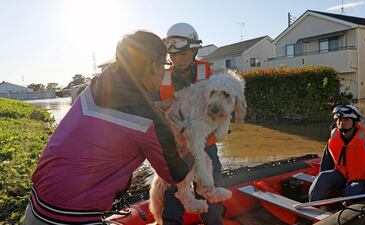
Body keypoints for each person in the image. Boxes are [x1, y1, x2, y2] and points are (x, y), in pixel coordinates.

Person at [23, 30, 194, 225]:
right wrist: (193, 151)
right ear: (154, 67)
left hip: (36, 205)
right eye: (165, 64)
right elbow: (174, 175)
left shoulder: (93, 87)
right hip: (71, 218)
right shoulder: (150, 121)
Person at [160, 23, 225, 225]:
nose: (176, 59)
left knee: (211, 197)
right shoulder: (160, 78)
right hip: (176, 149)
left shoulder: (211, 76)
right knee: (172, 198)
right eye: (173, 55)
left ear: (195, 50)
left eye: (182, 53)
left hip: (205, 147)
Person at [308, 105, 365, 203]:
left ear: (355, 122)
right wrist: (328, 186)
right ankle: (312, 205)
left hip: (363, 179)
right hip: (342, 176)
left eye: (346, 119)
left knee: (351, 191)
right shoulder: (333, 139)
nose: (341, 123)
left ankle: (342, 213)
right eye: (339, 119)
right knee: (323, 177)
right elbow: (327, 163)